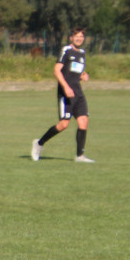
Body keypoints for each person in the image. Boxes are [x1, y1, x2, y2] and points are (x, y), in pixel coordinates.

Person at [30, 28, 94, 163]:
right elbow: (56, 71)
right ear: (71, 37)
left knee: (83, 122)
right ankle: (39, 143)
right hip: (66, 94)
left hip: (78, 93)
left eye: (81, 36)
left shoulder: (82, 53)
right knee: (63, 124)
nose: (79, 39)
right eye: (76, 36)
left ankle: (80, 156)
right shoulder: (66, 50)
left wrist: (83, 75)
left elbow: (74, 72)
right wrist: (65, 87)